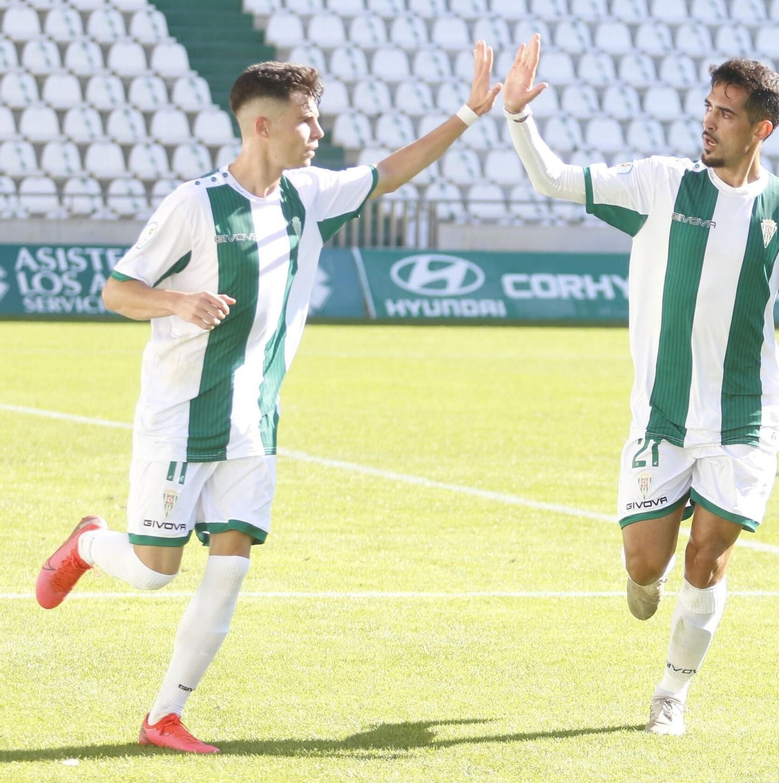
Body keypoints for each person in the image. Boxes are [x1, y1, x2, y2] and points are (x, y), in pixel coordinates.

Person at [34, 45, 503, 752]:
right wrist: (178, 300)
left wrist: (468, 112)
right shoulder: (194, 204)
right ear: (262, 126)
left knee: (228, 569)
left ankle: (165, 714)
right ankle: (90, 543)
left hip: (254, 422)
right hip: (180, 418)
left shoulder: (307, 195)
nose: (317, 133)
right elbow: (116, 290)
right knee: (156, 574)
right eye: (306, 121)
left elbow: (389, 172)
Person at [501, 35, 779, 736]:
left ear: (762, 128)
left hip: (745, 414)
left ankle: (672, 692)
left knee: (710, 555)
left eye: (726, 112)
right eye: (708, 106)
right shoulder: (662, 183)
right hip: (662, 414)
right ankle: (646, 575)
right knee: (647, 565)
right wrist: (518, 117)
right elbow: (553, 178)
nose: (709, 120)